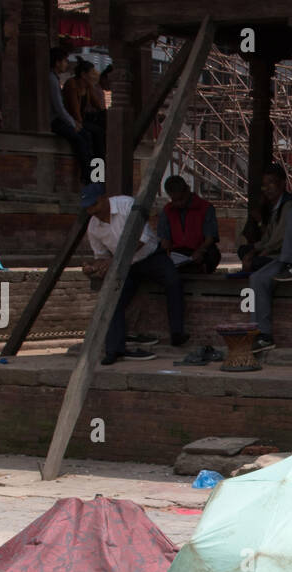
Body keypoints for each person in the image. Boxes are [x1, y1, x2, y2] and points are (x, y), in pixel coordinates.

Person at [79, 183, 189, 364]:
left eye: (95, 205)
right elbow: (101, 256)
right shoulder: (93, 227)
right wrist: (93, 268)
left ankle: (177, 333)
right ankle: (114, 350)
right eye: (88, 208)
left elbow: (141, 240)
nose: (92, 211)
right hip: (125, 266)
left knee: (174, 281)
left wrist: (113, 261)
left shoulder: (127, 205)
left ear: (104, 198)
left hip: (150, 256)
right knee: (112, 300)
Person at [242, 165, 292, 353]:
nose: (268, 188)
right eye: (265, 185)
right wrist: (255, 249)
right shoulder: (274, 209)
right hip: (283, 259)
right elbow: (267, 239)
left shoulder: (289, 205)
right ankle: (262, 335)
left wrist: (264, 250)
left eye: (272, 183)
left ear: (283, 184)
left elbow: (278, 239)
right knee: (256, 279)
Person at [157, 175, 220, 274]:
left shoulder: (205, 207)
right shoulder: (167, 210)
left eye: (181, 199)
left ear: (187, 191)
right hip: (178, 252)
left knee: (213, 254)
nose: (178, 204)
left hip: (200, 250)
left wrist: (199, 251)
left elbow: (210, 238)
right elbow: (165, 239)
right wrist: (168, 253)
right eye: (175, 200)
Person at [49, 48, 93, 183]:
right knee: (81, 138)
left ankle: (94, 173)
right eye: (64, 61)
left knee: (91, 135)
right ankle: (87, 176)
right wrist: (74, 124)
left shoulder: (56, 79)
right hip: (54, 120)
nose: (66, 64)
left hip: (62, 118)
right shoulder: (55, 80)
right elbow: (60, 108)